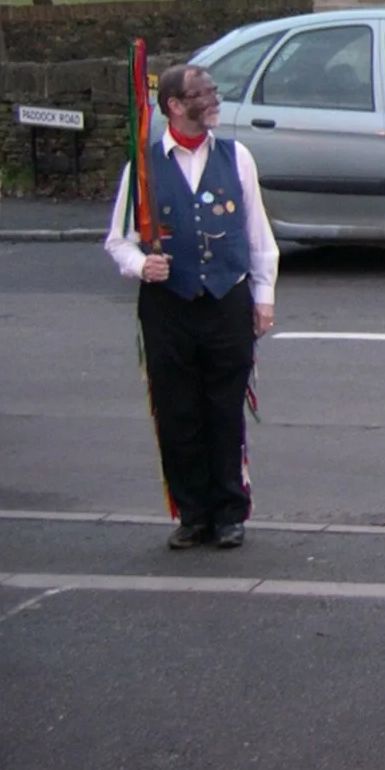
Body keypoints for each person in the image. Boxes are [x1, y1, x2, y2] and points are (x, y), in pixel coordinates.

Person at [104, 64, 279, 550]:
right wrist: (142, 267)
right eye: (202, 94)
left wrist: (262, 298)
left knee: (225, 408)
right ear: (175, 106)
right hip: (168, 306)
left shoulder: (236, 156)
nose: (213, 100)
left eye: (213, 91)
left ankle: (229, 512)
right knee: (178, 411)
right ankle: (192, 513)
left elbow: (257, 234)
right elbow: (118, 241)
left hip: (226, 298)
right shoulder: (141, 167)